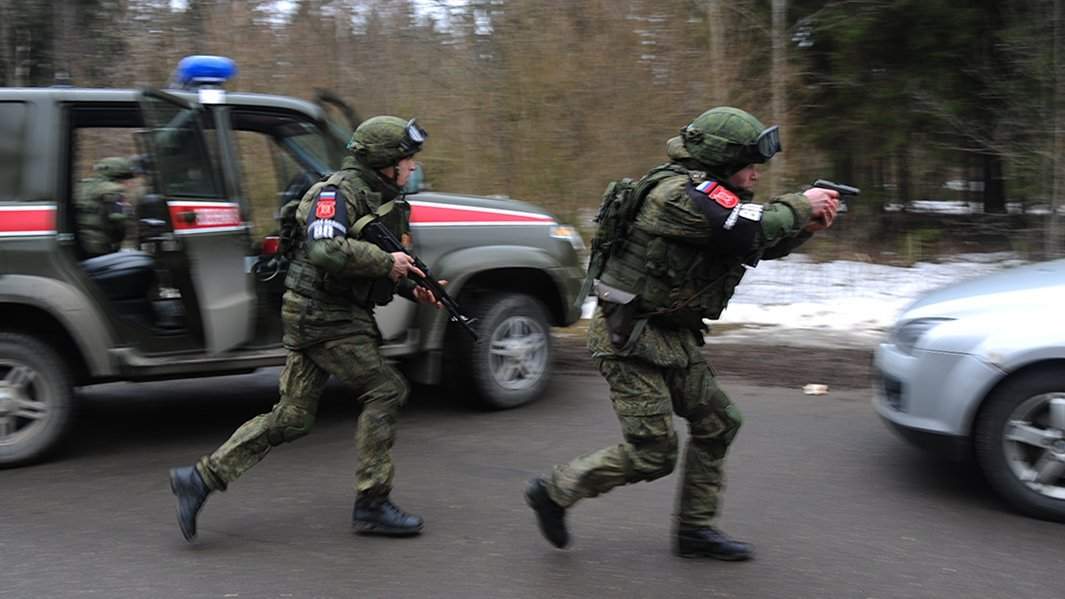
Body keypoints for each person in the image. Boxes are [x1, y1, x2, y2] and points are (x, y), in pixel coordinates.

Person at [524, 106, 840, 560]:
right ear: (720, 161)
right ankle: (554, 491)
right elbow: (740, 226)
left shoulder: (711, 196)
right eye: (749, 165)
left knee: (719, 424)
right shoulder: (675, 196)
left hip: (672, 335)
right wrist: (800, 204)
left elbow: (753, 241)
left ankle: (695, 530)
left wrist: (805, 227)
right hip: (628, 338)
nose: (755, 175)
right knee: (654, 453)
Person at [169, 116, 441, 542]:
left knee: (292, 417)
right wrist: (388, 264)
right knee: (386, 390)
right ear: (386, 162)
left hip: (322, 313)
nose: (411, 169)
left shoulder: (379, 197)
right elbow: (326, 249)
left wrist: (412, 287)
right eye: (407, 161)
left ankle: (199, 479)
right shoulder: (336, 193)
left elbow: (376, 263)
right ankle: (372, 503)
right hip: (324, 315)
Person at [76, 157, 139, 257]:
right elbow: (119, 222)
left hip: (78, 245)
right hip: (100, 247)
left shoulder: (81, 186)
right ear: (119, 175)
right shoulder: (114, 190)